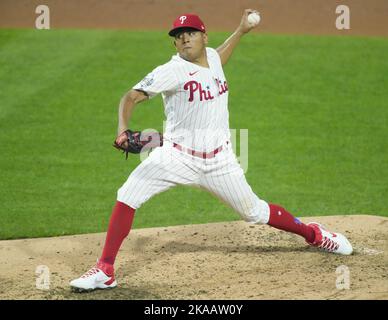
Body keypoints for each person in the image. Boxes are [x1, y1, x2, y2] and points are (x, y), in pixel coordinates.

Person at [70, 10, 353, 292]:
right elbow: (131, 97)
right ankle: (105, 270)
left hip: (220, 161)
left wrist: (241, 30)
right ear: (174, 44)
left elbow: (219, 56)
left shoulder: (213, 59)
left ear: (203, 36)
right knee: (128, 194)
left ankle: (313, 234)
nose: (184, 39)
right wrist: (122, 128)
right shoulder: (170, 71)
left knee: (254, 211)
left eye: (190, 33)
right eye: (179, 36)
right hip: (176, 156)